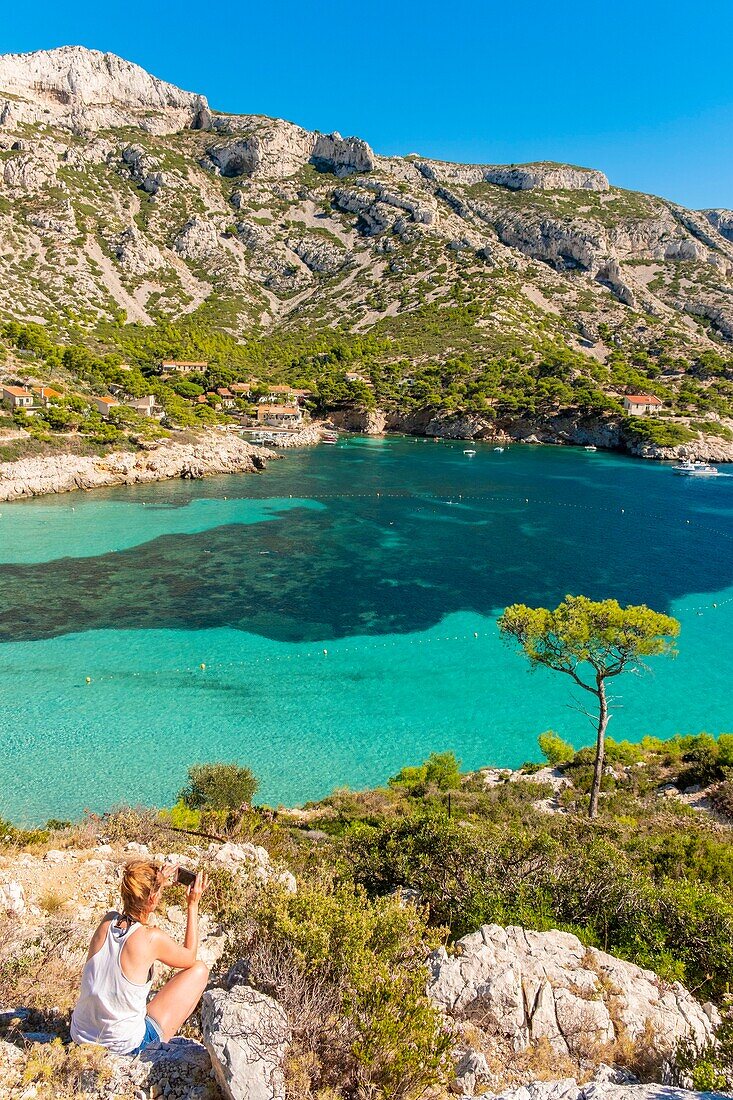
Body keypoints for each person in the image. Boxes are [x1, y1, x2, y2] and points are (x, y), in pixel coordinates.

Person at [70, 859, 210, 1056]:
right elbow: (189, 957)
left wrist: (159, 883)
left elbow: (139, 903)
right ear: (152, 898)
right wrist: (193, 905)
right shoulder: (150, 938)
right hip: (125, 1047)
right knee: (199, 971)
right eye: (158, 894)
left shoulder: (107, 922)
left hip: (80, 1037)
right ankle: (158, 1051)